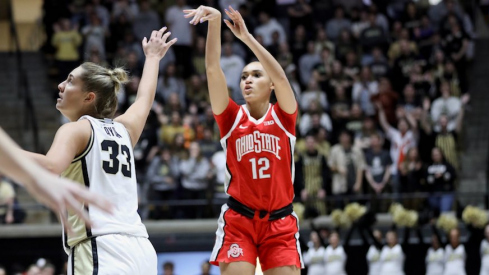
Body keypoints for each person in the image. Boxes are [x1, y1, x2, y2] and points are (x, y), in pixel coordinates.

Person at [23, 27, 176, 274]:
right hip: (141, 250)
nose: (61, 85)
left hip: (100, 247)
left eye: (71, 81)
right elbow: (144, 100)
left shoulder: (75, 130)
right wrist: (153, 58)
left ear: (88, 97)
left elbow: (51, 167)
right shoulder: (125, 129)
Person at [184, 5, 303, 274]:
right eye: (244, 76)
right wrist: (214, 22)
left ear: (270, 84)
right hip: (240, 221)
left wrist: (246, 38)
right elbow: (213, 70)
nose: (247, 80)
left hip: (280, 223)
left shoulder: (284, 116)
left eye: (256, 75)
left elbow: (282, 77)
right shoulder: (230, 117)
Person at [0, 127, 112, 230]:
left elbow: (51, 166)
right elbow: (51, 166)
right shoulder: (121, 126)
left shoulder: (74, 129)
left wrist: (36, 177)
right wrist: (35, 177)